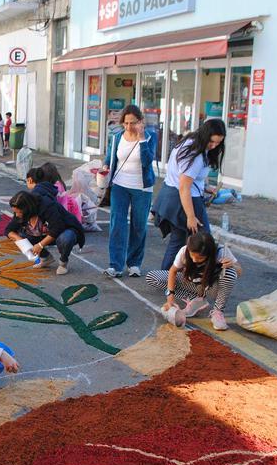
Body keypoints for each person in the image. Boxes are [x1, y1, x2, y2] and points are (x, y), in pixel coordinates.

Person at [152, 119, 226, 270]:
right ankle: (176, 277)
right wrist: (191, 216)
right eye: (212, 142)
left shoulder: (190, 142)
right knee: (204, 241)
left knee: (179, 240)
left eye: (218, 143)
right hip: (182, 199)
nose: (214, 146)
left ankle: (168, 276)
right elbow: (184, 187)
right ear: (205, 135)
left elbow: (188, 178)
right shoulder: (195, 154)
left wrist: (205, 187)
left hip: (171, 195)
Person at [100, 105, 157, 278]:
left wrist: (141, 139)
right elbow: (110, 157)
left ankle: (134, 264)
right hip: (120, 185)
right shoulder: (117, 137)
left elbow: (147, 161)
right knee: (117, 224)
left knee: (138, 226)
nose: (129, 127)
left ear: (141, 122)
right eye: (126, 123)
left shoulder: (149, 137)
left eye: (133, 123)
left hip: (142, 187)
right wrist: (104, 167)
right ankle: (115, 265)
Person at [146, 231, 241, 331]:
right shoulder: (184, 251)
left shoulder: (221, 252)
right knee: (153, 277)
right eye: (192, 255)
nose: (195, 260)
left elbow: (239, 272)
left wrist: (232, 265)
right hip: (194, 284)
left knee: (230, 271)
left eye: (200, 258)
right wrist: (170, 298)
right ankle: (196, 299)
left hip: (211, 287)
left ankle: (218, 311)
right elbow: (172, 271)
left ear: (209, 254)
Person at [6, 188, 85, 275]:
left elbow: (57, 228)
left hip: (64, 230)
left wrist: (40, 245)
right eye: (15, 212)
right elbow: (9, 230)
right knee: (21, 235)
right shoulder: (21, 210)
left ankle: (63, 262)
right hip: (46, 234)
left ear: (27, 208)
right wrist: (21, 241)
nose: (17, 215)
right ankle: (46, 258)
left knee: (66, 238)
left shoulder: (47, 206)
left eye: (19, 212)